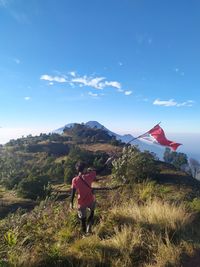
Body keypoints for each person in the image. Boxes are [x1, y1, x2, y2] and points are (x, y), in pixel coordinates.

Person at [70, 161, 97, 234]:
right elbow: (99, 170)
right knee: (91, 213)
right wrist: (107, 162)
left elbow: (72, 192)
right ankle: (89, 228)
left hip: (81, 202)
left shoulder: (74, 180)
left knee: (82, 220)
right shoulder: (89, 176)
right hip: (91, 200)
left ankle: (85, 234)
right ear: (84, 169)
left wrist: (71, 203)